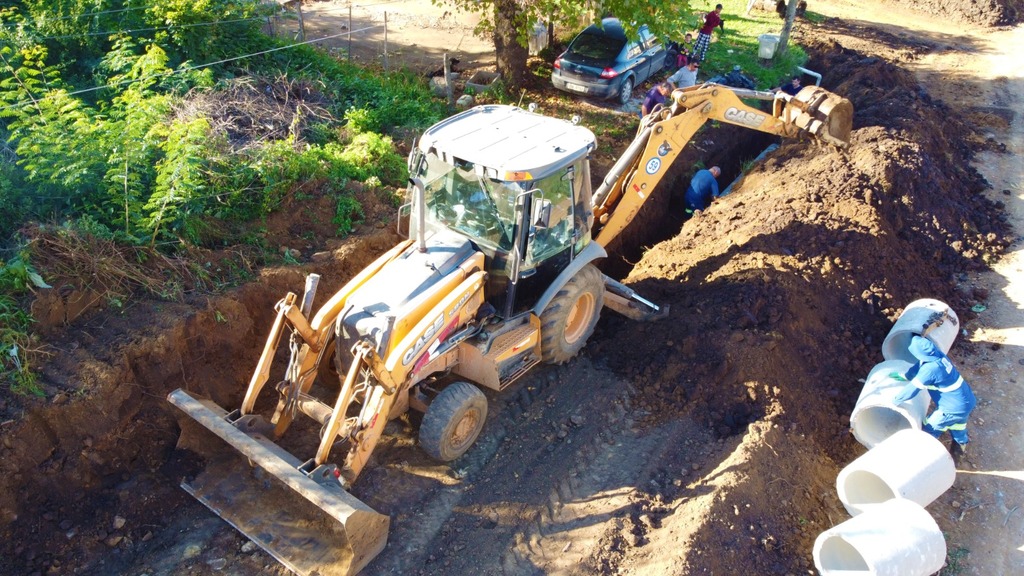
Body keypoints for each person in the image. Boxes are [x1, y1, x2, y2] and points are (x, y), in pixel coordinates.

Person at [891, 335, 978, 460]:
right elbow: (919, 365)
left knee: (929, 430)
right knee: (957, 425)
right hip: (966, 399)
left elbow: (912, 389)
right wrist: (907, 375)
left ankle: (926, 460)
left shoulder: (931, 370)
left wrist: (895, 401)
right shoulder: (937, 355)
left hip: (952, 408)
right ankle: (960, 448)